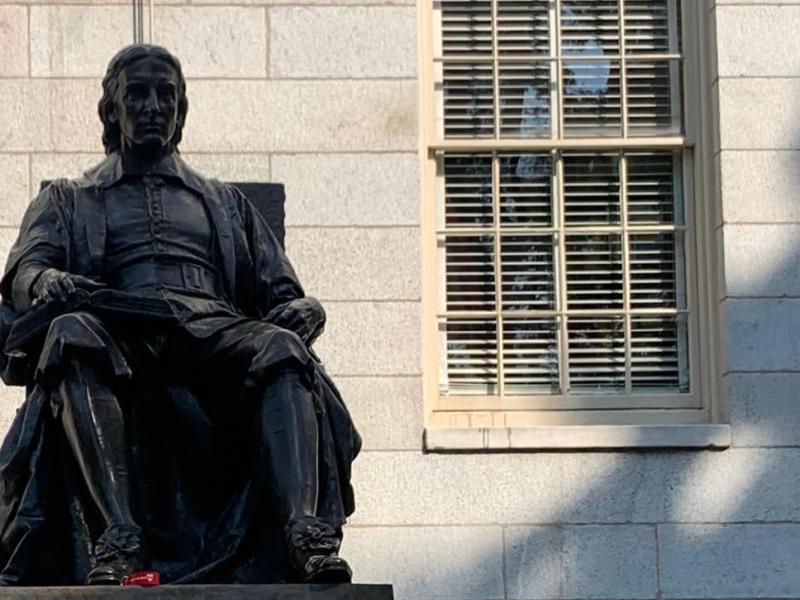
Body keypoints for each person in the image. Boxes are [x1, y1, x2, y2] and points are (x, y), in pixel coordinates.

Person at [0, 44, 360, 586]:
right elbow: (26, 271)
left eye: (165, 94)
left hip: (212, 330)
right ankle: (118, 536)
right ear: (111, 110)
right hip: (120, 329)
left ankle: (304, 534)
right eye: (137, 94)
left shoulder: (224, 202)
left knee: (282, 348)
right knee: (71, 333)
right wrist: (47, 280)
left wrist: (307, 308)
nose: (152, 106)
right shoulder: (69, 199)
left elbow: (282, 290)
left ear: (181, 111)